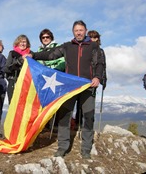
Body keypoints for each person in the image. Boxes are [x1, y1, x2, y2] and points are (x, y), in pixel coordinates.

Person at [30, 20, 104, 159]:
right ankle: (62, 147)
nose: (79, 32)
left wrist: (98, 77)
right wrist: (33, 55)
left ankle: (86, 150)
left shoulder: (94, 46)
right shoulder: (67, 46)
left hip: (88, 86)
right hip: (69, 87)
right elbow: (51, 54)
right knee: (64, 116)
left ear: (85, 31)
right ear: (73, 32)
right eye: (76, 30)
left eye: (81, 30)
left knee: (88, 117)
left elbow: (99, 63)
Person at [72, 30, 105, 131]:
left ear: (98, 39)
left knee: (89, 105)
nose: (93, 39)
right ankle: (78, 124)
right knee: (79, 103)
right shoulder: (86, 50)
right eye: (91, 37)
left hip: (93, 81)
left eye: (95, 37)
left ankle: (87, 127)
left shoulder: (100, 51)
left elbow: (102, 66)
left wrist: (103, 79)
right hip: (83, 80)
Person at [38, 28, 65, 131]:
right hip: (43, 80)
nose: (45, 39)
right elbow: (38, 63)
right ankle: (44, 125)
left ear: (51, 38)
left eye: (47, 37)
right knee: (44, 102)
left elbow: (62, 61)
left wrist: (51, 68)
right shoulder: (39, 50)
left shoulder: (58, 48)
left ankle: (55, 125)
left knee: (55, 102)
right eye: (43, 37)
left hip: (55, 78)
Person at [4, 34, 33, 104]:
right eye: (21, 42)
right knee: (13, 104)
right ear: (17, 43)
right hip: (13, 81)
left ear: (27, 43)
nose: (23, 44)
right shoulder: (12, 53)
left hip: (26, 83)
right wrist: (16, 64)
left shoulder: (31, 54)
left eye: (24, 42)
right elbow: (6, 69)